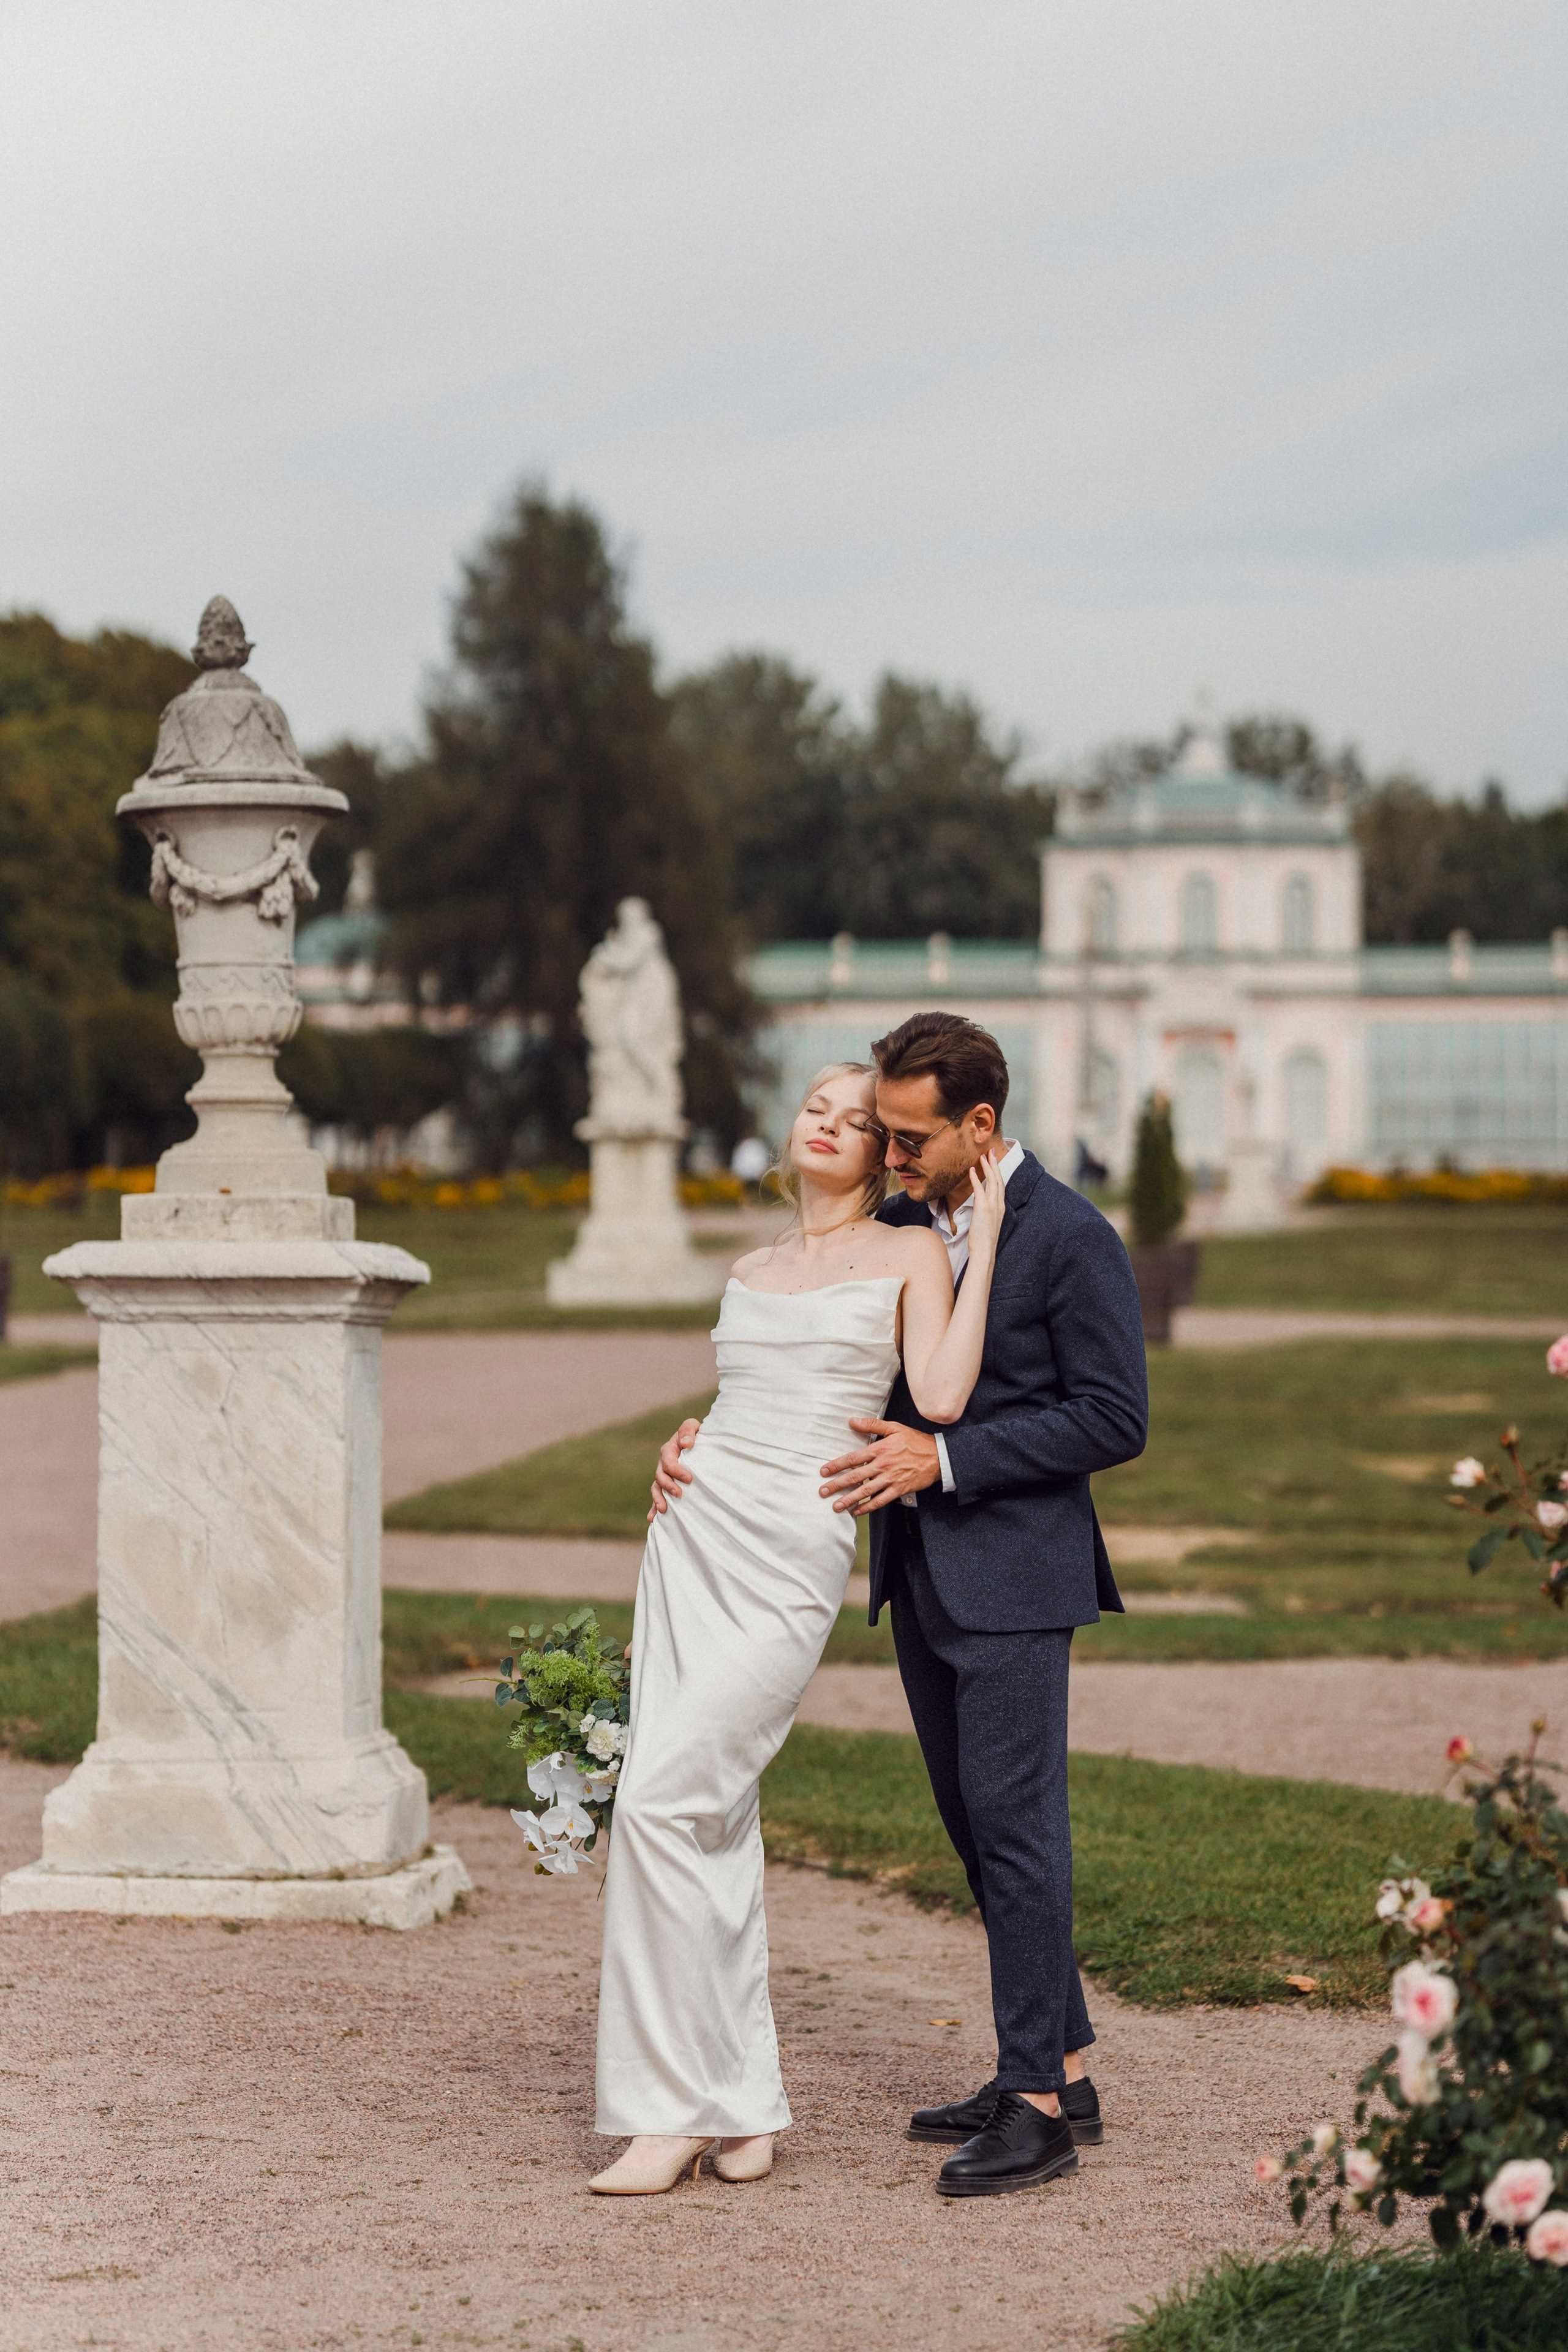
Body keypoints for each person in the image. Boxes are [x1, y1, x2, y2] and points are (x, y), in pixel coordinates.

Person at [653, 1012, 1147, 2198]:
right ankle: (1059, 2060)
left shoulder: (1072, 1237)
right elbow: (815, 1360)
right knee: (976, 1826)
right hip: (917, 1571)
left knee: (1019, 1828)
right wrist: (700, 1441)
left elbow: (1114, 1417)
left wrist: (949, 1460)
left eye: (911, 1134)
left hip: (1018, 1573)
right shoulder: (909, 1226)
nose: (891, 1151)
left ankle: (1035, 2111)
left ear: (981, 1124)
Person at [590, 1061, 1008, 2195]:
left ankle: (671, 2108)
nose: (830, 1125)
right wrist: (682, 1442)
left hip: (792, 1548)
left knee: (663, 1800)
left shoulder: (913, 1250)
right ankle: (735, 2108)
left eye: (858, 1120)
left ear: (887, 1153)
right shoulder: (750, 1266)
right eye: (817, 1109)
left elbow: (949, 1394)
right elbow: (735, 1398)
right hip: (694, 1531)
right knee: (705, 1814)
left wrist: (995, 1231)